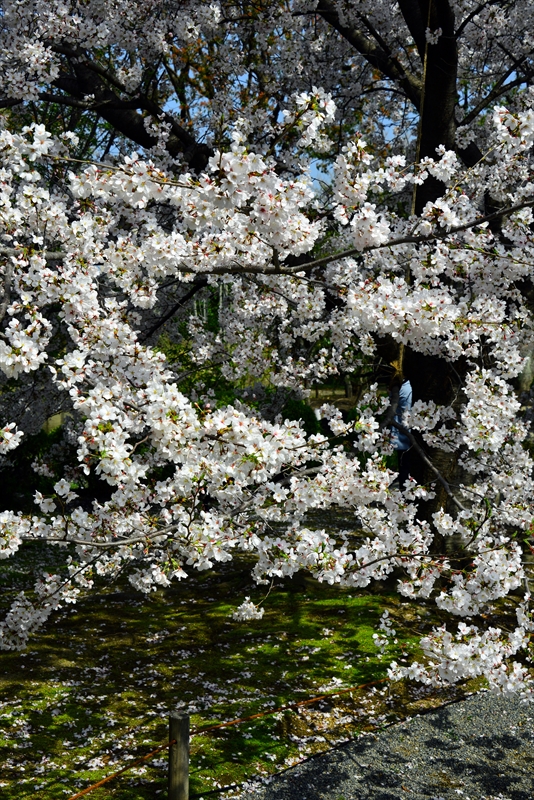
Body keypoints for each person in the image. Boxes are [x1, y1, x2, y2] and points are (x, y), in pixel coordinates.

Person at [389, 370, 412, 491]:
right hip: (409, 436)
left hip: (400, 437)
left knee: (404, 470)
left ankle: (404, 497)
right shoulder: (409, 387)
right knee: (409, 471)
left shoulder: (398, 388)